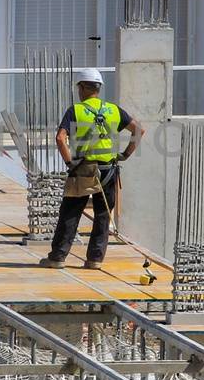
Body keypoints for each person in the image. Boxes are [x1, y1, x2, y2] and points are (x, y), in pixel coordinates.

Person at [39, 68, 145, 270]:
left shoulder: (76, 110)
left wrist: (70, 163)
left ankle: (58, 257)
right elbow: (139, 130)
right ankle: (95, 260)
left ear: (82, 88)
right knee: (103, 215)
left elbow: (61, 138)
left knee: (71, 212)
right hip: (109, 170)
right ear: (98, 88)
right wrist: (125, 154)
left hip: (83, 170)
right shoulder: (114, 110)